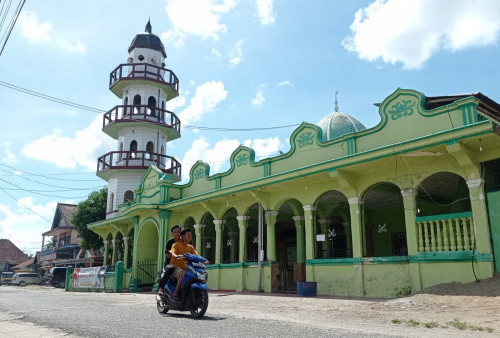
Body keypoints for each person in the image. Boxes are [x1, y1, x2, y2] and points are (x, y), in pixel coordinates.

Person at [170, 228, 198, 301]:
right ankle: (175, 294)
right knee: (183, 273)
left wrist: (204, 260)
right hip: (175, 267)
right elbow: (172, 251)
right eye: (188, 235)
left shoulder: (190, 247)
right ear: (182, 236)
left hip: (186, 268)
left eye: (191, 235)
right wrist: (175, 255)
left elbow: (196, 255)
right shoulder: (176, 244)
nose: (190, 237)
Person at [157, 225, 181, 295]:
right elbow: (169, 255)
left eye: (178, 232)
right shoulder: (170, 242)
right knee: (171, 268)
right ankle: (161, 287)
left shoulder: (183, 242)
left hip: (181, 263)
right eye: (175, 232)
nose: (177, 233)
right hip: (170, 263)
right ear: (172, 234)